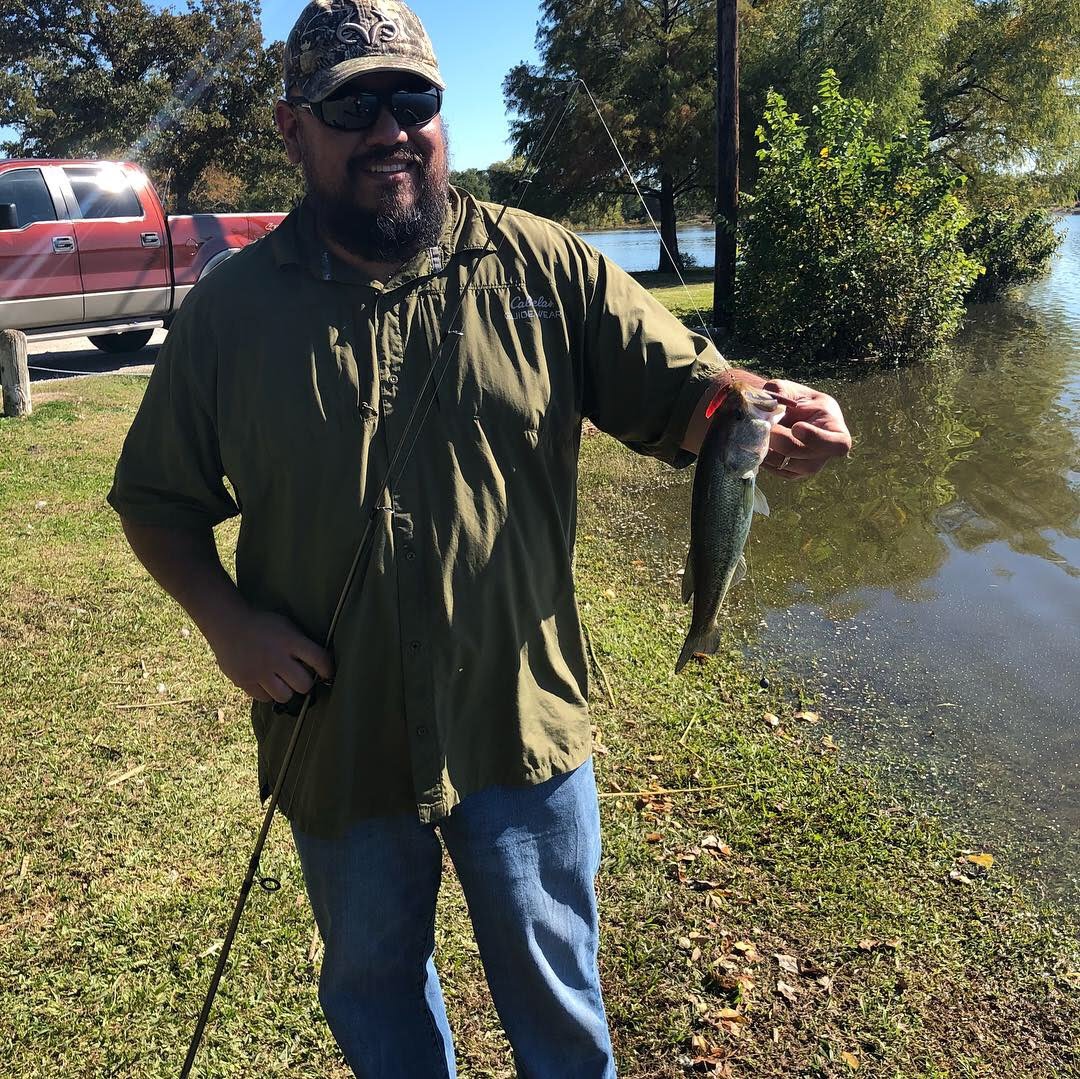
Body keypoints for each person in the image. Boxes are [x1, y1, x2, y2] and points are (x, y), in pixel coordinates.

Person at [108, 1, 851, 1075]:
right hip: (339, 733)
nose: (389, 128)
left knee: (557, 993)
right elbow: (154, 500)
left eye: (413, 98)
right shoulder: (230, 313)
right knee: (372, 990)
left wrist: (759, 410)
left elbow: (689, 389)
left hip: (520, 727)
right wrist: (227, 623)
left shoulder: (546, 264)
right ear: (291, 129)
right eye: (351, 103)